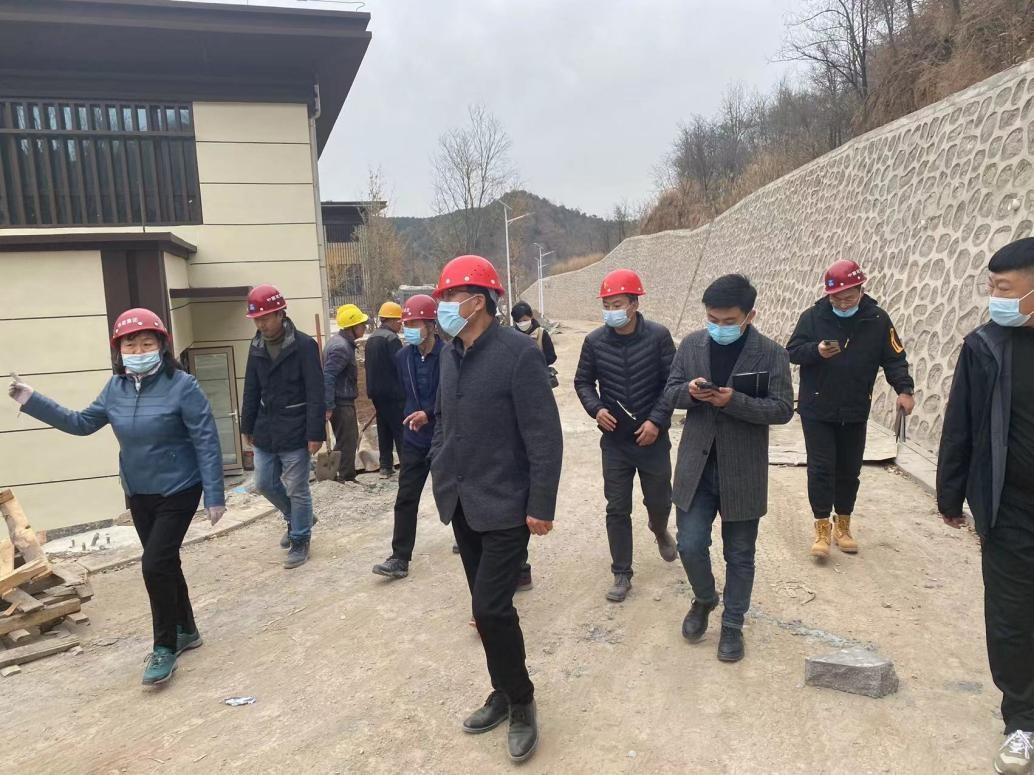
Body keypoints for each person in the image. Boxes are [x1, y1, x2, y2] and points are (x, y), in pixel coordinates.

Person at [8, 308, 224, 686]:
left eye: (146, 343)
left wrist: (214, 494)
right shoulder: (115, 389)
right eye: (130, 345)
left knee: (153, 565)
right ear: (119, 350)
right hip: (138, 492)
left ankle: (164, 646)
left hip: (179, 488)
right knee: (165, 562)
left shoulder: (182, 386)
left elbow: (206, 439)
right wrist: (32, 400)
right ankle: (187, 629)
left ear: (161, 346)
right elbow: (80, 423)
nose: (138, 350)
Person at [429, 255, 562, 763]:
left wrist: (541, 503)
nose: (443, 306)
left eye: (450, 297)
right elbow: (443, 419)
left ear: (478, 301)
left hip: (507, 503)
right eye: (442, 297)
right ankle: (502, 691)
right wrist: (441, 464)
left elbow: (544, 436)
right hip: (462, 501)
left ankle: (522, 701)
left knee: (489, 608)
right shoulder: (450, 354)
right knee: (488, 610)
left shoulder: (518, 354)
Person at [938, 238, 1034, 775]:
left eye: (1004, 287)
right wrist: (950, 494)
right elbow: (962, 423)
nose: (994, 297)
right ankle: (1022, 721)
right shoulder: (985, 346)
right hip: (1009, 507)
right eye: (992, 287)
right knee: (1012, 617)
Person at [664, 274, 793, 662]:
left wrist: (734, 401)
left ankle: (733, 624)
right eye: (712, 319)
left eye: (728, 321)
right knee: (689, 544)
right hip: (696, 468)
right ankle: (704, 598)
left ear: (749, 315)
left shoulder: (772, 354)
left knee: (739, 554)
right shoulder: (691, 345)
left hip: (743, 470)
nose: (719, 327)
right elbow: (669, 392)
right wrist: (689, 393)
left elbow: (783, 409)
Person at [787, 260, 914, 558]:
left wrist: (904, 390)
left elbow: (895, 358)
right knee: (821, 469)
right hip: (817, 408)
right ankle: (821, 527)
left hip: (855, 408)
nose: (843, 304)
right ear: (828, 294)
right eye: (837, 299)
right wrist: (816, 351)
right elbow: (792, 351)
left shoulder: (877, 320)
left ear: (861, 291)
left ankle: (843, 525)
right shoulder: (813, 317)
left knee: (849, 470)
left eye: (849, 297)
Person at [573, 268, 677, 603]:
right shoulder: (594, 342)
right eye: (606, 305)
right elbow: (582, 381)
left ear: (634, 304)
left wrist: (656, 421)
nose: (610, 311)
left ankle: (659, 529)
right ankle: (621, 572)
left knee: (659, 500)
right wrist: (596, 409)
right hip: (615, 441)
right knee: (617, 507)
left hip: (652, 439)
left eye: (616, 304)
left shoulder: (659, 337)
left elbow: (672, 384)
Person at [240, 284, 324, 570]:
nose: (261, 324)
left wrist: (315, 433)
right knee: (264, 483)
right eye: (257, 320)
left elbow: (316, 391)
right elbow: (251, 388)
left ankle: (300, 539)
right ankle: (299, 517)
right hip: (266, 428)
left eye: (265, 318)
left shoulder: (303, 346)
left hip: (296, 427)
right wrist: (247, 424)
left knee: (297, 488)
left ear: (280, 313)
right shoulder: (256, 347)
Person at [372, 294, 442, 579]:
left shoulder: (449, 355)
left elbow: (453, 396)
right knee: (405, 497)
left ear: (430, 324)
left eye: (415, 323)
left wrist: (430, 413)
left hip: (442, 437)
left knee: (455, 494)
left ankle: (468, 539)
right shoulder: (402, 358)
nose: (409, 329)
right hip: (414, 438)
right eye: (406, 324)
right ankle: (399, 557)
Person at [323, 303, 369, 483]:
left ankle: (341, 476)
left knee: (345, 439)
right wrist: (328, 405)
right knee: (348, 440)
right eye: (361, 324)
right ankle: (345, 478)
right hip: (341, 402)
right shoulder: (341, 348)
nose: (364, 327)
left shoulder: (337, 343)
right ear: (352, 326)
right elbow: (328, 376)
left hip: (340, 400)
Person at [365, 301, 406, 478]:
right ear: (392, 320)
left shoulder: (372, 338)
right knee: (400, 429)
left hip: (376, 392)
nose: (401, 324)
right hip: (393, 392)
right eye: (399, 321)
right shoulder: (392, 339)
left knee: (384, 429)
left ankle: (385, 466)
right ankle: (407, 466)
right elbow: (400, 365)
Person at [511, 301, 557, 366]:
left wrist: (537, 363)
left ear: (531, 316)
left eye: (525, 320)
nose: (522, 323)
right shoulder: (512, 335)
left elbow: (551, 357)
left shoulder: (542, 334)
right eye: (519, 321)